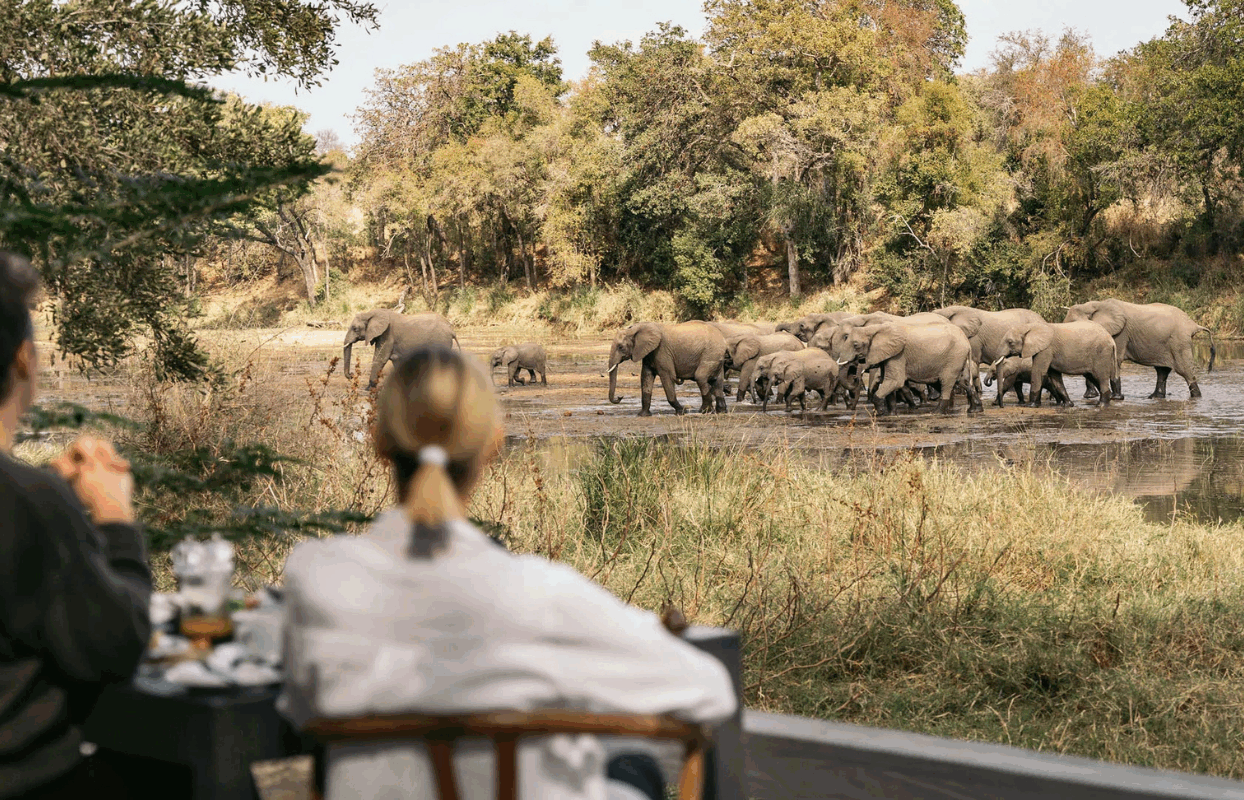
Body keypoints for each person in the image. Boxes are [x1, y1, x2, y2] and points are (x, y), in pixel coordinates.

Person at [279, 347, 736, 800]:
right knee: (632, 766)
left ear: (380, 441)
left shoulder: (315, 577)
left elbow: (297, 711)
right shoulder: (539, 592)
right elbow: (710, 692)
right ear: (494, 442)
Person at [0, 251, 153, 799]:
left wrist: (47, 495)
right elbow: (117, 644)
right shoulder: (26, 501)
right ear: (23, 359)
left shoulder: (29, 499)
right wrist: (113, 520)